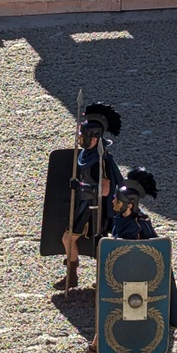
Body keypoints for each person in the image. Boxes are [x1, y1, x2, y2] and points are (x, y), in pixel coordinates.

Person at [62, 168, 177, 353]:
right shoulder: (125, 221)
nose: (113, 204)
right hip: (129, 282)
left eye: (118, 201)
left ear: (130, 206)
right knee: (122, 317)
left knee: (125, 316)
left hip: (141, 284)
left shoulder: (138, 227)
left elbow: (141, 256)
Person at [54, 102, 125, 291]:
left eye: (84, 135)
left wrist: (81, 186)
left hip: (96, 208)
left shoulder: (101, 160)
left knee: (99, 243)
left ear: (95, 138)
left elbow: (105, 190)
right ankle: (71, 275)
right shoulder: (85, 154)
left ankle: (103, 280)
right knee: (68, 239)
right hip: (84, 204)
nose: (81, 138)